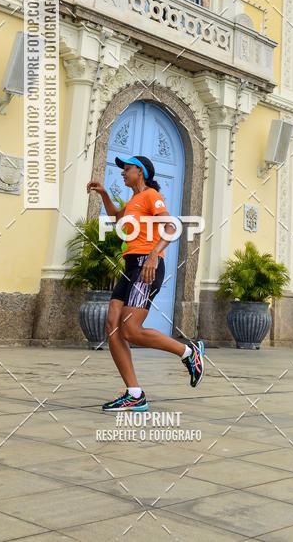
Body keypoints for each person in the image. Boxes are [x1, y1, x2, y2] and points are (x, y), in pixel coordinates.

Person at [86, 154, 204, 412]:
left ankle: (188, 352)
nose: (123, 173)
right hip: (130, 266)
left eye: (127, 169)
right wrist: (104, 194)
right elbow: (118, 219)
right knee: (112, 327)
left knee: (130, 330)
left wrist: (153, 255)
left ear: (140, 172)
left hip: (146, 266)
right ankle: (135, 394)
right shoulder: (134, 200)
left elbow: (171, 227)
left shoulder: (151, 196)